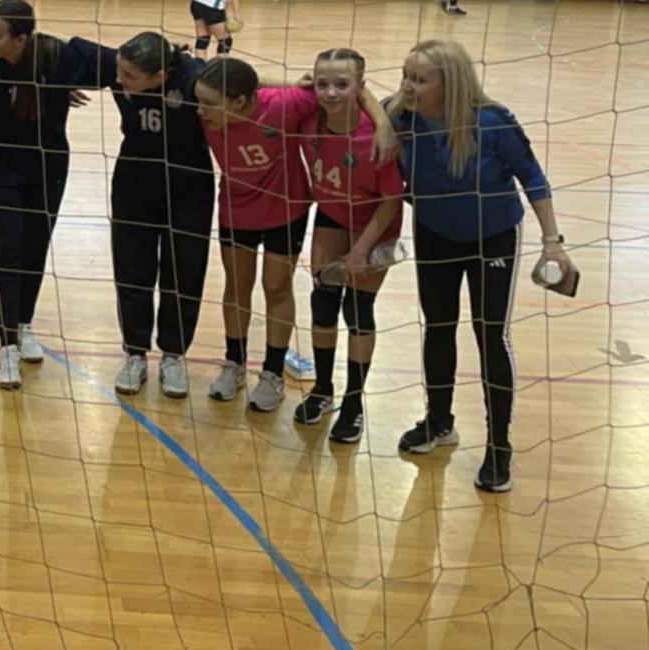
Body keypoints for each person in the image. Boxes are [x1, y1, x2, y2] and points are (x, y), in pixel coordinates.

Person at [389, 39, 571, 493]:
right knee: (438, 326)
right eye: (405, 76)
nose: (408, 86)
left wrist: (552, 243)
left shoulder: (493, 121)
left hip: (494, 236)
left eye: (420, 79)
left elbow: (534, 179)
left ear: (450, 84)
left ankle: (498, 445)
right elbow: (349, 101)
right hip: (434, 232)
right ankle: (438, 422)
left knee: (490, 334)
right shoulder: (400, 117)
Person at [193, 57, 395, 413]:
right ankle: (234, 363)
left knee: (277, 287)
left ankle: (272, 373)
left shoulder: (284, 106)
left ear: (239, 101)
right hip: (236, 210)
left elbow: (348, 90)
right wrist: (280, 79)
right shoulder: (207, 112)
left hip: (286, 210)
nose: (200, 110)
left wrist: (382, 124)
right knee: (237, 287)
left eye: (209, 103)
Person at [0, 0, 116, 388]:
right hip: (2, 169)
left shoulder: (57, 57)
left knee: (35, 248)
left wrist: (64, 66)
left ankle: (23, 324)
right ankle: (7, 345)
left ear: (21, 38)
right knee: (8, 249)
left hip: (48, 169)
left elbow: (114, 63)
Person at [295, 48, 405, 444]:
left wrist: (361, 251)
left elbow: (392, 200)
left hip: (376, 222)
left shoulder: (375, 136)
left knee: (358, 310)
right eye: (322, 83)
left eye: (342, 85)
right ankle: (322, 389)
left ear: (361, 87)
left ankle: (354, 402)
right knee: (323, 303)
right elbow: (254, 85)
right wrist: (300, 84)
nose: (330, 93)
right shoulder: (309, 119)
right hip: (332, 215)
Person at [109, 32, 214, 399]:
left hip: (189, 188)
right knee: (132, 270)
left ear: (160, 75)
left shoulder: (194, 77)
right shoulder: (121, 66)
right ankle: (134, 353)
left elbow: (247, 81)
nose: (119, 79)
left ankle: (173, 354)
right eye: (119, 71)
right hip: (134, 183)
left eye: (130, 76)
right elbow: (68, 49)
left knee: (185, 271)